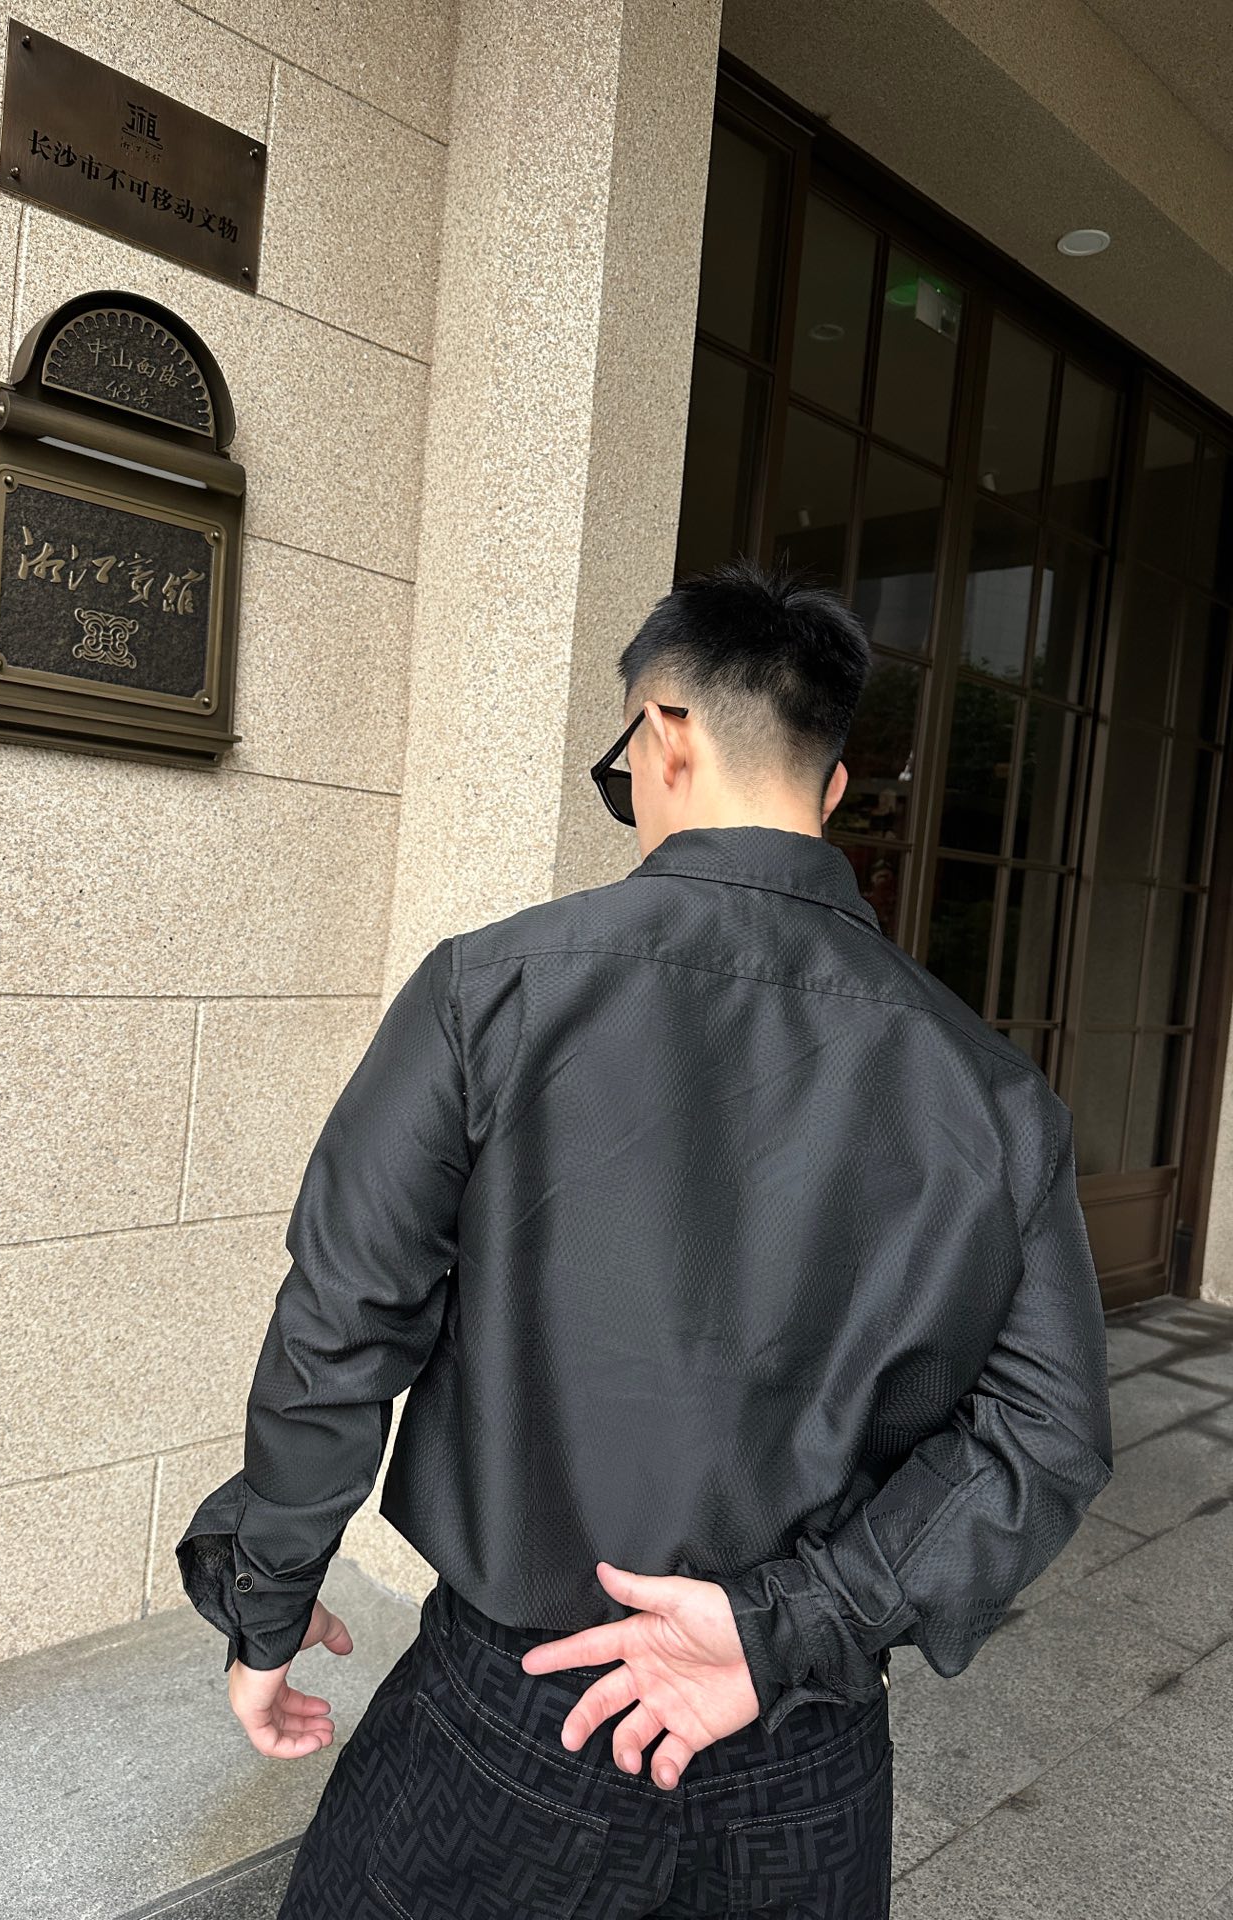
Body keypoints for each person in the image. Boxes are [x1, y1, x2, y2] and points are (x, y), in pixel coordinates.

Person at [176, 556, 1113, 1919]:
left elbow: (346, 1319)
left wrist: (270, 1601)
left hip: (520, 1708)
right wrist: (796, 1624)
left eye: (623, 777)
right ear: (831, 791)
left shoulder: (493, 991)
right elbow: (1048, 1435)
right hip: (802, 1744)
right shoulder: (994, 1094)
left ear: (663, 735)